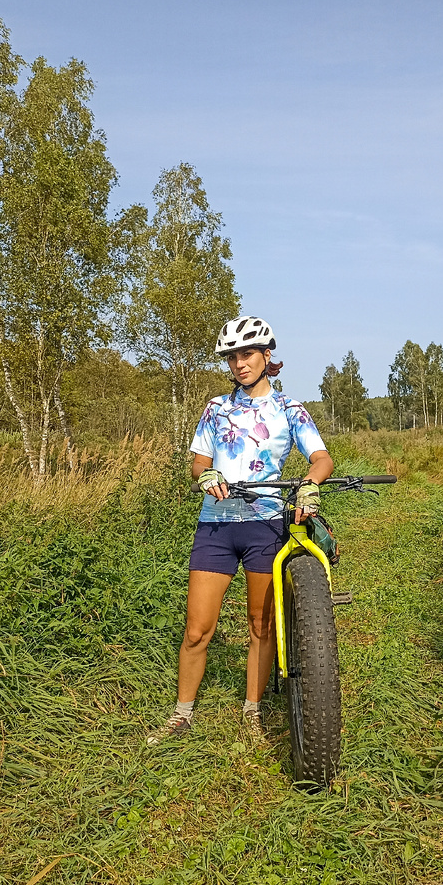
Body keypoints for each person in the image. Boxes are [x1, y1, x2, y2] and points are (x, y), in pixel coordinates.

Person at [147, 316, 333, 746]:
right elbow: (198, 462)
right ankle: (182, 715)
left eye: (246, 353)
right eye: (232, 356)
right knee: (197, 630)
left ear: (267, 356)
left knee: (260, 625)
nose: (238, 363)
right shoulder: (216, 408)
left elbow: (321, 458)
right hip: (215, 526)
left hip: (265, 524)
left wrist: (310, 485)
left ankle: (251, 713)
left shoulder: (289, 409)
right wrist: (207, 474)